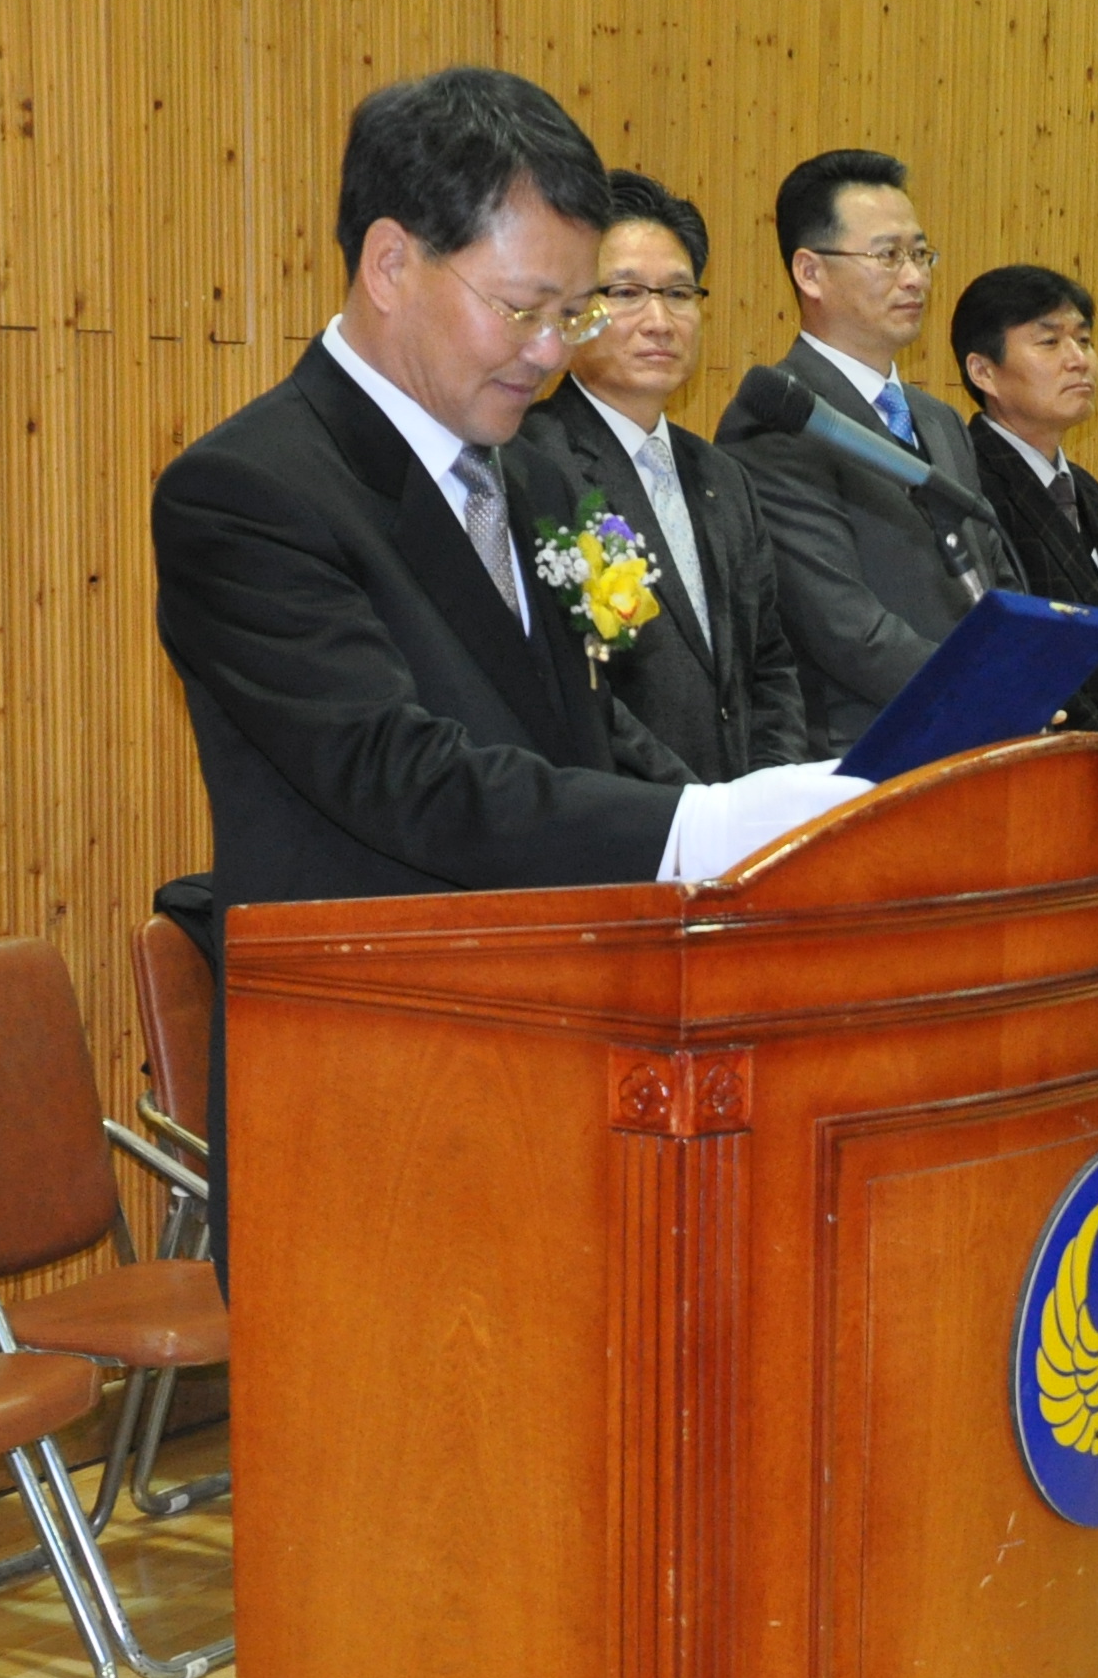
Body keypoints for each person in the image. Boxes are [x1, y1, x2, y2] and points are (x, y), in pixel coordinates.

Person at [150, 71, 852, 1231]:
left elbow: (582, 729)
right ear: (391, 264)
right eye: (524, 309)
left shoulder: (533, 472)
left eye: (571, 314)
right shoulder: (250, 492)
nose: (550, 351)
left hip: (561, 1075)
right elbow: (399, 772)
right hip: (372, 1103)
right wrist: (693, 829)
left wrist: (767, 819)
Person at [510, 170, 811, 781]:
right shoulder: (530, 462)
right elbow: (568, 685)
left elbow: (769, 666)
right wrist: (691, 806)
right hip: (627, 812)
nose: (659, 320)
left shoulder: (725, 477)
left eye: (678, 293)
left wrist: (765, 792)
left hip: (741, 819)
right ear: (573, 309)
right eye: (626, 292)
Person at [714, 150, 1014, 752]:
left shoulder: (941, 420)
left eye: (920, 254)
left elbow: (993, 573)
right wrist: (984, 694)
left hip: (972, 744)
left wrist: (1023, 672)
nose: (915, 278)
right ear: (810, 273)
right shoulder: (780, 419)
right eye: (888, 256)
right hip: (861, 754)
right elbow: (842, 627)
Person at [951, 264, 1098, 730]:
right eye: (1049, 342)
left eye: (1084, 340)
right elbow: (1014, 651)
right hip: (1046, 750)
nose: (1078, 360)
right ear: (983, 371)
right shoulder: (967, 483)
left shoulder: (1085, 488)